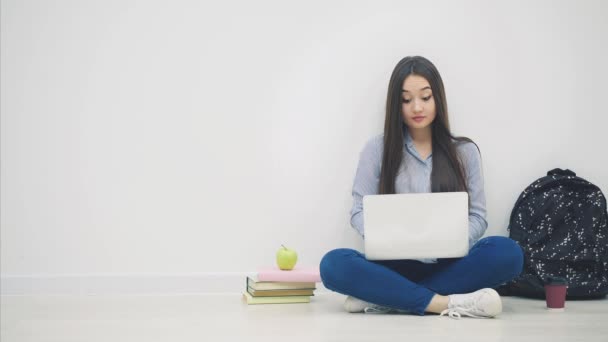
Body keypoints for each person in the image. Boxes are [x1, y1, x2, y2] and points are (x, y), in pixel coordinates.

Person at [319, 56, 524, 319]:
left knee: (509, 253)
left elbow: (478, 216)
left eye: (425, 97)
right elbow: (358, 211)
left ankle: (388, 298)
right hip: (392, 266)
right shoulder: (376, 149)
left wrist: (450, 239)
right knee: (333, 264)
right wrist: (387, 237)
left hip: (450, 266)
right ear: (396, 104)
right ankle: (444, 303)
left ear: (437, 97)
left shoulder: (465, 152)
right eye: (406, 100)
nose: (417, 107)